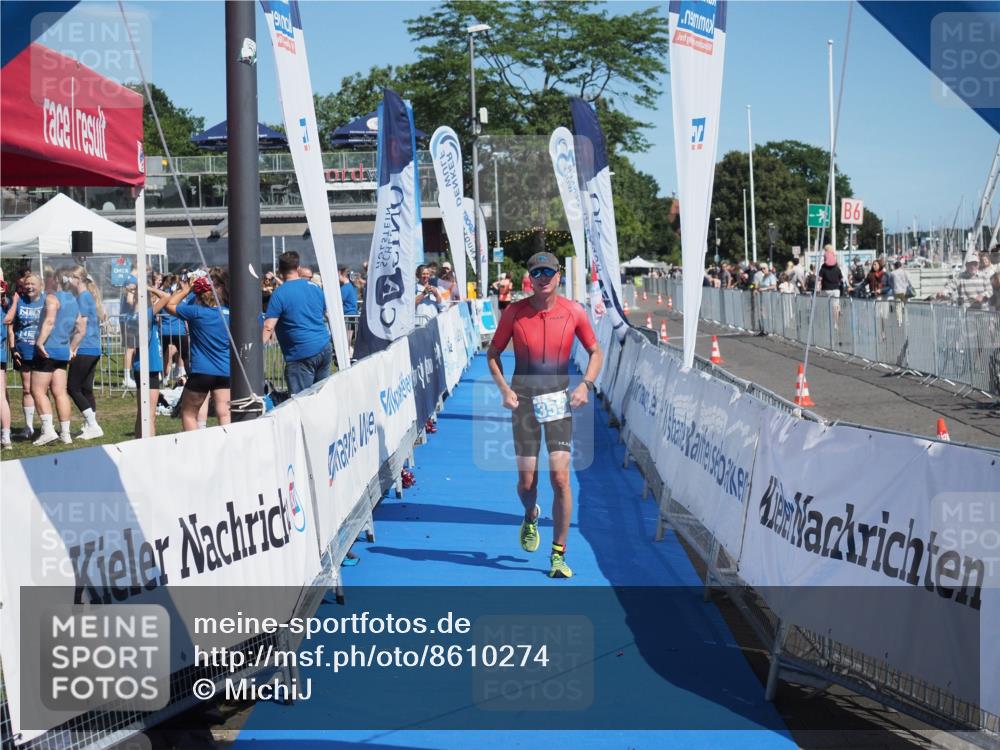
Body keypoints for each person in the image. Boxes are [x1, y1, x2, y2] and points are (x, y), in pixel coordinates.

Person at [486, 251, 604, 580]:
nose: (543, 278)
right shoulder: (515, 313)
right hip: (523, 400)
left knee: (561, 478)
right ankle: (530, 513)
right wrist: (505, 391)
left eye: (548, 272)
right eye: (536, 272)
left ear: (559, 276)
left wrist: (586, 386)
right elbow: (492, 353)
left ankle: (558, 553)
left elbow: (596, 352)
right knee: (527, 482)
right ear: (529, 277)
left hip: (558, 402)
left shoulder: (574, 311)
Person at [166, 270, 232, 431]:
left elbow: (169, 305)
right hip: (224, 370)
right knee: (224, 414)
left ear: (200, 295)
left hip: (202, 371)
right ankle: (229, 447)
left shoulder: (196, 312)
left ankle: (194, 450)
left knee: (188, 413)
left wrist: (186, 290)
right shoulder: (230, 314)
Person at [263, 251, 332, 395]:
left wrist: (254, 351)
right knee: (322, 398)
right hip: (323, 347)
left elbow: (269, 327)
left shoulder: (279, 294)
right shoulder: (315, 288)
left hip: (301, 353)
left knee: (300, 403)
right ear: (298, 268)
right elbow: (328, 314)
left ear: (280, 271)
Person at [30, 267, 82, 445]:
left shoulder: (52, 298)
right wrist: (72, 348)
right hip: (62, 351)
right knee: (60, 392)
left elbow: (50, 321)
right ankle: (65, 434)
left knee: (37, 391)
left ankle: (48, 431)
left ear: (57, 281)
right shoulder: (74, 301)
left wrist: (39, 342)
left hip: (47, 350)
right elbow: (81, 328)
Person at [66, 266, 105, 439]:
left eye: (70, 278)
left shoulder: (83, 298)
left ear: (78, 279)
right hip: (94, 347)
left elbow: (81, 327)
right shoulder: (87, 297)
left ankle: (93, 425)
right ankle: (90, 426)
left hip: (85, 347)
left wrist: (71, 348)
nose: (68, 281)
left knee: (73, 388)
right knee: (86, 389)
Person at [5, 273, 45, 439]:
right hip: (23, 351)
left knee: (42, 391)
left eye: (32, 284)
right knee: (27, 390)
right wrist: (13, 349)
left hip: (41, 352)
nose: (29, 287)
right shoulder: (19, 301)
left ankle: (45, 426)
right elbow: (10, 325)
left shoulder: (46, 300)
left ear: (40, 285)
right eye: (27, 284)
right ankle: (29, 427)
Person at [130, 285, 171, 437]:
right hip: (148, 366)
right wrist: (148, 287)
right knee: (149, 415)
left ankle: (137, 443)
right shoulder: (145, 314)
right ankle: (148, 448)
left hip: (145, 366)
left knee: (143, 413)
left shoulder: (137, 315)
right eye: (151, 298)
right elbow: (166, 297)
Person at [0, 276, 11, 449]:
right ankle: (6, 436)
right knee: (2, 396)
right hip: (1, 354)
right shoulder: (5, 307)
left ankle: (6, 436)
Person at [889, 260, 912, 326]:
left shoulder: (892, 273)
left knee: (898, 306)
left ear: (895, 266)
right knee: (905, 305)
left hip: (897, 291)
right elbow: (909, 281)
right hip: (905, 292)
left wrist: (894, 286)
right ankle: (906, 320)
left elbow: (890, 282)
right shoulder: (905, 272)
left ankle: (899, 321)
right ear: (901, 266)